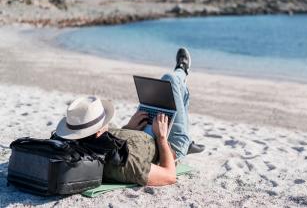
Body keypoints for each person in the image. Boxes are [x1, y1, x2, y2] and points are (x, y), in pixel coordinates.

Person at [54, 48, 204, 186]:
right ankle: (182, 70)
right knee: (171, 80)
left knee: (166, 92)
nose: (107, 123)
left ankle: (181, 73)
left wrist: (128, 128)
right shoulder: (124, 161)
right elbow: (169, 176)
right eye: (104, 121)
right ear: (98, 131)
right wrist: (162, 138)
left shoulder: (85, 143)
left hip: (143, 132)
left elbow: (114, 138)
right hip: (169, 146)